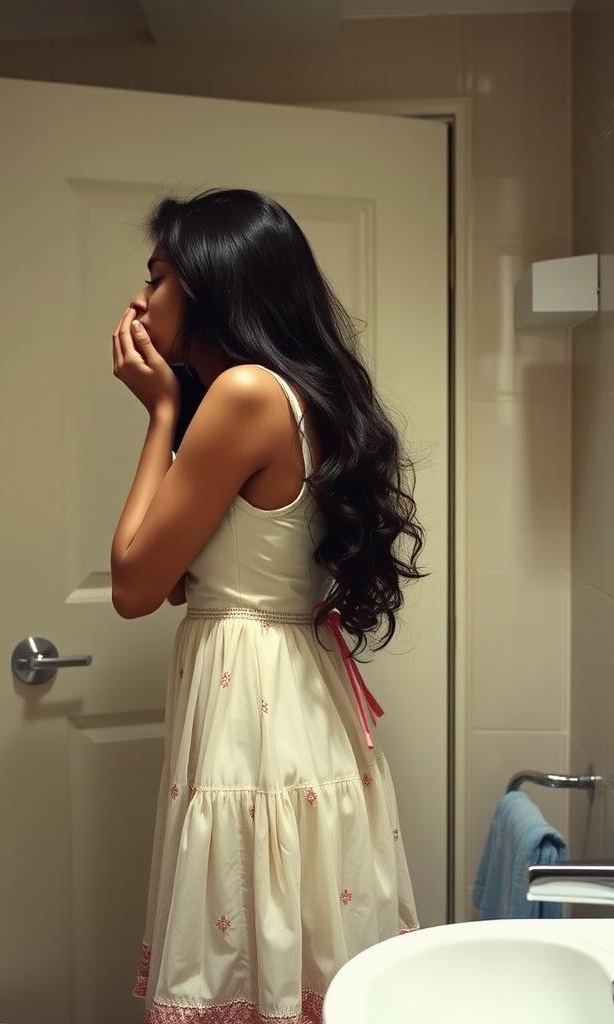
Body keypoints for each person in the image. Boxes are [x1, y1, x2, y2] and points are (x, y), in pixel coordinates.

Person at [110, 188, 425, 1024]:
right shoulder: (285, 393)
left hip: (256, 708)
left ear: (216, 282)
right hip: (284, 695)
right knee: (288, 947)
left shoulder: (246, 393)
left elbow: (135, 587)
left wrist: (159, 414)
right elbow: (178, 574)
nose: (140, 301)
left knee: (250, 951)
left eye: (160, 277)